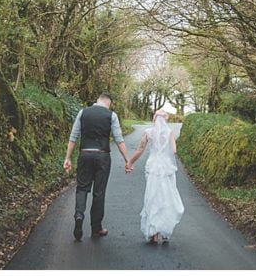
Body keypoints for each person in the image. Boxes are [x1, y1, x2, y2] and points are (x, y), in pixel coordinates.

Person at [63, 92, 132, 241]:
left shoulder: (83, 113)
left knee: (82, 188)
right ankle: (96, 228)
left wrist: (68, 158)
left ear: (97, 101)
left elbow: (73, 137)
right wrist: (127, 160)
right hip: (102, 156)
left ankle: (79, 214)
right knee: (99, 192)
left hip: (85, 154)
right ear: (108, 103)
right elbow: (119, 140)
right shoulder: (111, 115)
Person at [128, 109, 184, 244]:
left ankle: (154, 232)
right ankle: (165, 230)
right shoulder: (169, 132)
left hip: (152, 166)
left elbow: (140, 149)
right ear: (165, 120)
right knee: (166, 196)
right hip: (166, 168)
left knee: (152, 196)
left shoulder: (148, 132)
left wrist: (130, 162)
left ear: (154, 119)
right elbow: (174, 150)